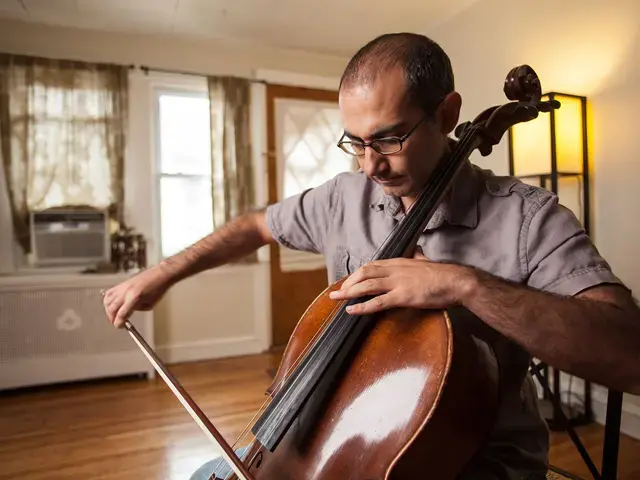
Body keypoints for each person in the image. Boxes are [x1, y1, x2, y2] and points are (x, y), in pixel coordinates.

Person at [102, 33, 640, 480]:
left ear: (447, 113)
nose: (369, 167)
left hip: (473, 460)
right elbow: (253, 226)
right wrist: (160, 275)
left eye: (388, 139)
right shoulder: (344, 196)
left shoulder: (528, 218)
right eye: (354, 143)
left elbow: (627, 354)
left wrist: (465, 284)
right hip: (334, 438)